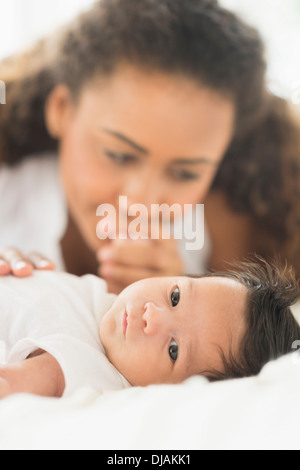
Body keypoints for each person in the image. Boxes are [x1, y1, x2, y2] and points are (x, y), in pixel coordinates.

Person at [0, 0, 299, 295]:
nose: (139, 201)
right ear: (62, 109)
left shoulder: (235, 235)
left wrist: (183, 301)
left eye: (185, 174)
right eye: (118, 156)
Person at [0, 257, 299, 399]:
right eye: (175, 297)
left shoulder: (82, 367)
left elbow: (9, 385)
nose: (151, 317)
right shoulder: (101, 301)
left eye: (173, 350)